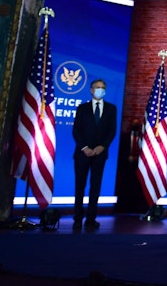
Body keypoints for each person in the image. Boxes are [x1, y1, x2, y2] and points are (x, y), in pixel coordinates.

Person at [72, 78, 118, 230]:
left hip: (100, 154)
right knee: (80, 186)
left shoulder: (111, 109)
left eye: (103, 87)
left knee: (95, 187)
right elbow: (76, 131)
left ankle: (91, 219)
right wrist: (84, 147)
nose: (100, 90)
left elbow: (112, 131)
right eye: (97, 87)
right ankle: (77, 218)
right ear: (91, 90)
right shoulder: (82, 108)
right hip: (82, 154)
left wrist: (103, 147)